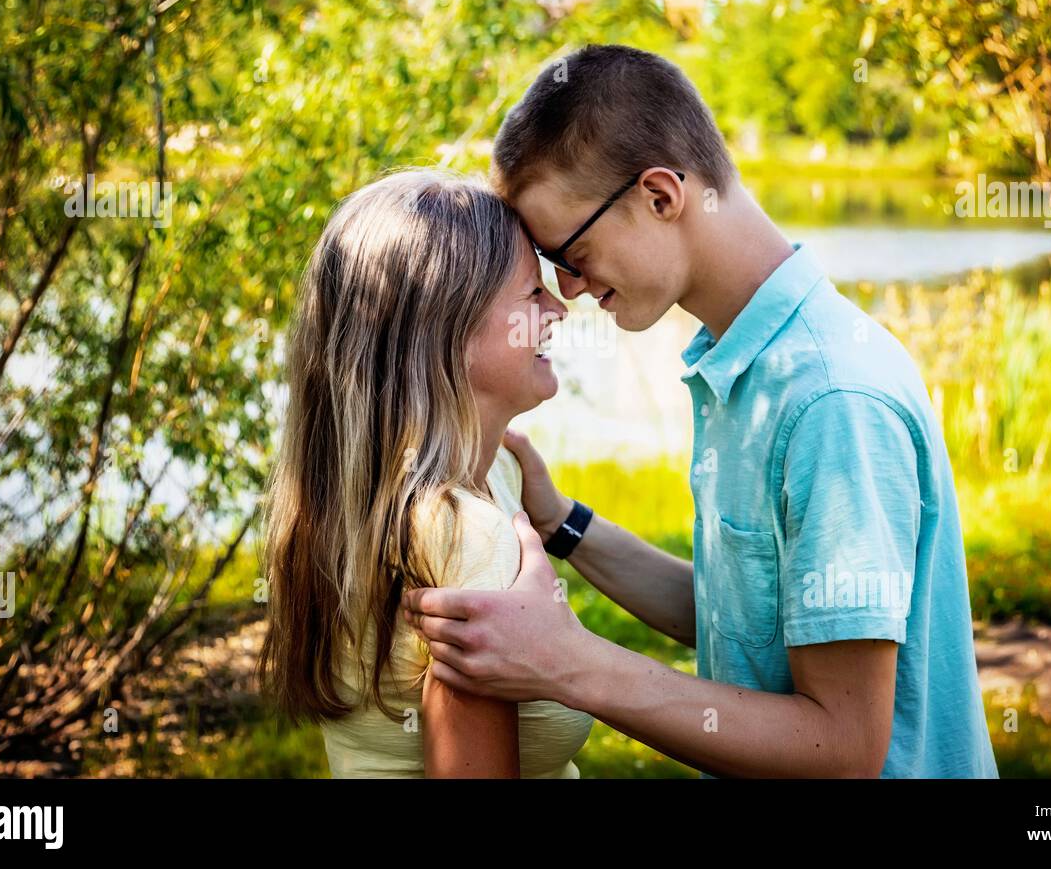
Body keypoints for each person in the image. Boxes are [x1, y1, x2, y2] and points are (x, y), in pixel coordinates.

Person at [403, 44, 1000, 778]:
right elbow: (744, 623)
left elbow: (843, 746)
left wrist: (569, 665)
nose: (568, 290)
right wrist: (563, 523)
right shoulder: (743, 363)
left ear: (660, 195)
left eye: (571, 252)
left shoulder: (829, 400)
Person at [257, 169, 594, 777]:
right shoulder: (470, 537)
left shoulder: (363, 491)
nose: (560, 308)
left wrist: (560, 518)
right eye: (531, 294)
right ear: (449, 335)